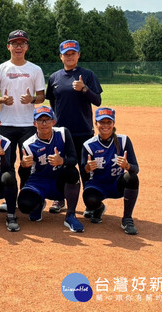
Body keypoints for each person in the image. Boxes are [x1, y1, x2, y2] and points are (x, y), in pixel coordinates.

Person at [0, 29, 45, 212]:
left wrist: (32, 100)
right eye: (15, 43)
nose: (18, 47)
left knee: (27, 162)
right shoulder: (0, 69)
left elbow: (42, 96)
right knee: (7, 163)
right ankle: (9, 197)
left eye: (22, 43)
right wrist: (1, 100)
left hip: (28, 124)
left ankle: (27, 193)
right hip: (6, 124)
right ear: (8, 46)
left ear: (27, 47)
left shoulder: (35, 69)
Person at [46, 40, 103, 213]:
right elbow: (53, 102)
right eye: (66, 54)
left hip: (83, 130)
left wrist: (84, 89)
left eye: (73, 53)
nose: (70, 56)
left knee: (85, 167)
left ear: (78, 55)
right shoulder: (54, 77)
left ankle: (91, 203)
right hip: (61, 132)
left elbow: (98, 101)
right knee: (60, 166)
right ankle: (59, 199)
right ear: (61, 56)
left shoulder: (87, 75)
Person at [17, 106, 84, 232]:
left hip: (58, 180)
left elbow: (74, 159)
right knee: (25, 205)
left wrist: (62, 161)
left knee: (72, 172)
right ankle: (38, 203)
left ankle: (70, 215)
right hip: (38, 182)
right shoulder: (27, 144)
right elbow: (23, 175)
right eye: (40, 120)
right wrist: (23, 166)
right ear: (34, 123)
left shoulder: (63, 133)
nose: (44, 123)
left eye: (47, 119)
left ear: (53, 121)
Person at [81, 108, 140, 235]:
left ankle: (127, 218)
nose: (105, 125)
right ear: (96, 123)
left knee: (132, 177)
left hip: (116, 184)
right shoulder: (88, 145)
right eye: (102, 122)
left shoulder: (123, 140)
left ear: (114, 123)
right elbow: (83, 171)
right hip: (97, 185)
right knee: (89, 198)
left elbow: (136, 168)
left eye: (109, 122)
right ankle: (98, 208)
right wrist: (87, 167)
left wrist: (127, 165)